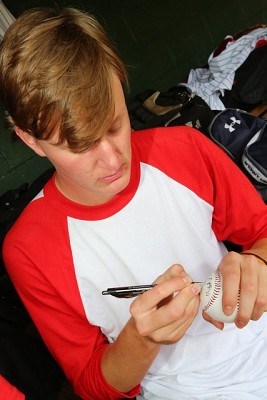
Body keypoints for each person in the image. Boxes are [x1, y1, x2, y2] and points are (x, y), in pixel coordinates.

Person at [1, 7, 267, 400]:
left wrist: (257, 262)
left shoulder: (184, 149)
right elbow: (92, 386)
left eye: (115, 125)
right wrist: (139, 341)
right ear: (30, 141)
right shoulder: (29, 250)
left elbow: (262, 231)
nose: (112, 161)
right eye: (78, 146)